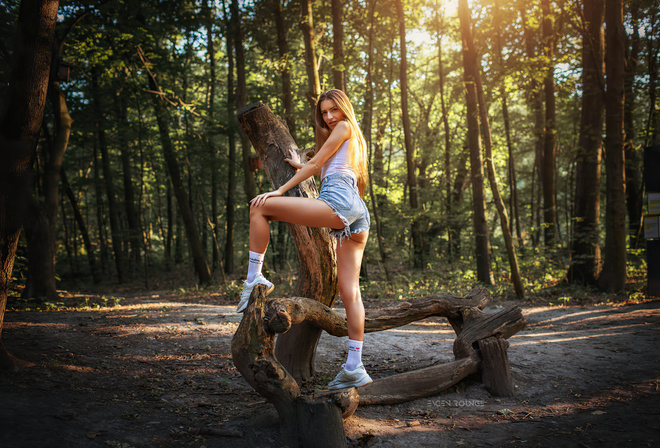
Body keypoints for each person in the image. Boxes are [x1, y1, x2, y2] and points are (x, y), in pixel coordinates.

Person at [236, 89, 372, 390]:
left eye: (334, 109)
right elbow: (321, 164)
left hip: (340, 205)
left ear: (344, 108)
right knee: (350, 292)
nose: (329, 116)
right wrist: (304, 164)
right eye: (324, 112)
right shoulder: (351, 138)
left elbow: (315, 165)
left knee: (259, 207)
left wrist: (280, 190)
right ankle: (355, 366)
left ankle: (253, 278)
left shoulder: (344, 126)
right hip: (357, 214)